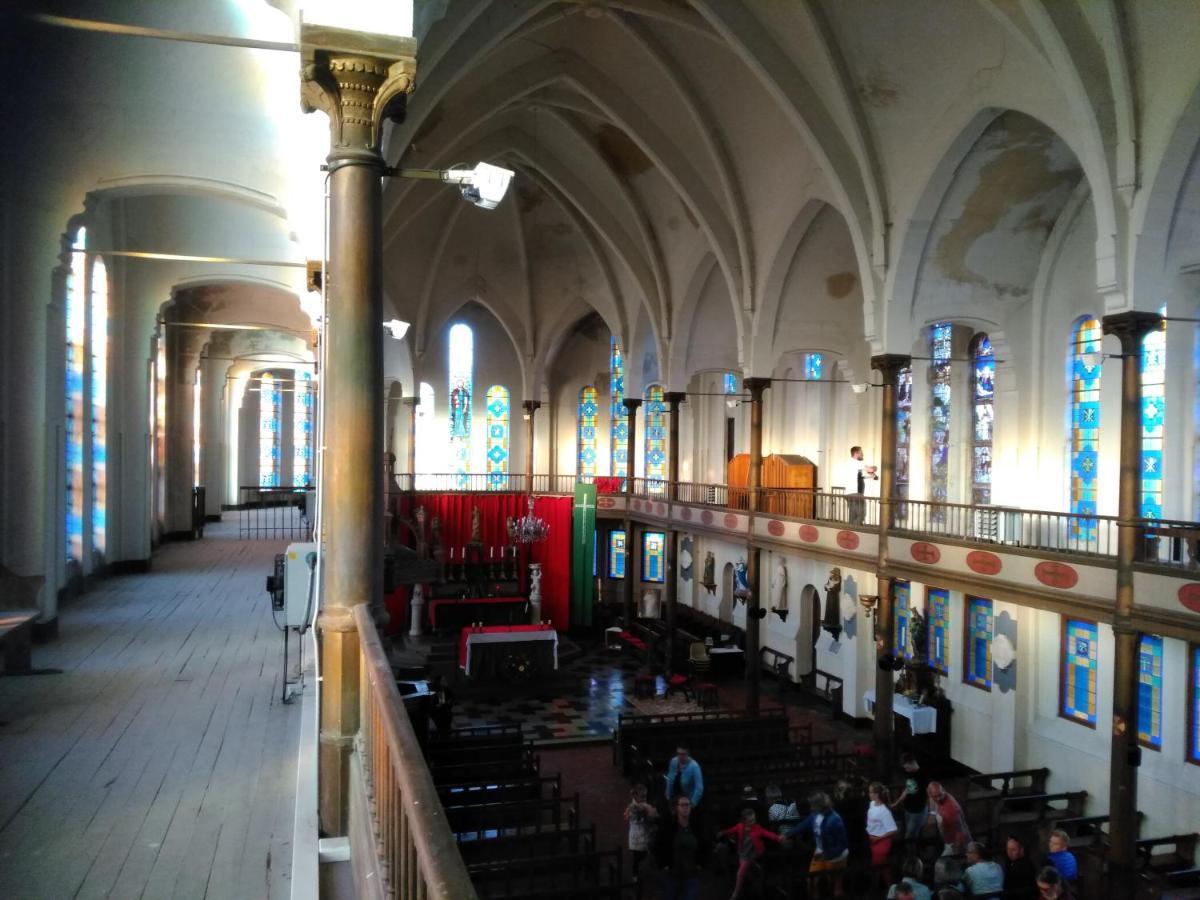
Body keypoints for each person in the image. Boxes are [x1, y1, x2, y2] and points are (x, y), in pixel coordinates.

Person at [784, 792, 849, 894]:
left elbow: (842, 844)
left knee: (835, 886)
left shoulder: (835, 820)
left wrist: (827, 854)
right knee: (812, 880)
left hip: (836, 857)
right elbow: (805, 824)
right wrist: (788, 834)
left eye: (812, 805)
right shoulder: (815, 814)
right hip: (820, 852)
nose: (811, 808)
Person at [718, 808, 783, 900]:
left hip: (753, 853)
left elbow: (768, 834)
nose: (753, 822)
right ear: (744, 821)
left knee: (740, 873)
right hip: (742, 852)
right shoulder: (740, 826)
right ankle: (749, 879)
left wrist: (778, 838)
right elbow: (731, 830)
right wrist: (723, 832)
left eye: (754, 820)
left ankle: (735, 894)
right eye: (751, 821)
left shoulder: (757, 828)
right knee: (744, 870)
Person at [654, 795, 710, 900]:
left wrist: (701, 864)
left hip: (691, 872)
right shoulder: (669, 826)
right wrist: (663, 864)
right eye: (682, 805)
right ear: (677, 808)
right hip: (672, 873)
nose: (685, 807)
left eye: (687, 805)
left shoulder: (696, 826)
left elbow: (705, 844)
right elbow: (658, 845)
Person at [891, 753, 929, 843]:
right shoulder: (908, 773)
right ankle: (915, 852)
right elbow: (908, 789)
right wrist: (897, 802)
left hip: (918, 811)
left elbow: (930, 794)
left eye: (907, 767)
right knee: (911, 833)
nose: (906, 769)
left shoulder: (923, 775)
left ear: (912, 763)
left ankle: (912, 855)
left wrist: (931, 814)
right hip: (908, 809)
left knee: (910, 837)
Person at [925, 782, 971, 855]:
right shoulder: (938, 796)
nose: (938, 799)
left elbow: (960, 831)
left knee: (942, 864)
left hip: (956, 843)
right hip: (947, 838)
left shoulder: (951, 809)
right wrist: (932, 813)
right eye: (935, 796)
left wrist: (956, 853)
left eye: (940, 795)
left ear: (943, 791)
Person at [624, 782, 658, 880]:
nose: (644, 799)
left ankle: (641, 869)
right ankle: (635, 875)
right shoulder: (632, 807)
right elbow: (632, 816)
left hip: (644, 834)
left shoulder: (645, 805)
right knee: (637, 857)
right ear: (635, 796)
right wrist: (646, 811)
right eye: (642, 797)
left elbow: (652, 815)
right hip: (636, 836)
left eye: (645, 796)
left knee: (644, 853)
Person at [866, 782, 899, 869]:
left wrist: (878, 838)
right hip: (873, 840)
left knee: (880, 867)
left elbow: (893, 830)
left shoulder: (884, 811)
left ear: (876, 794)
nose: (869, 794)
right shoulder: (872, 804)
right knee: (880, 867)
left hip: (881, 842)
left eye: (870, 792)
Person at [664, 745, 704, 809]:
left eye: (683, 754)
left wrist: (692, 804)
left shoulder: (694, 766)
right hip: (674, 797)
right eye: (678, 754)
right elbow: (670, 778)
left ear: (688, 754)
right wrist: (667, 795)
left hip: (687, 799)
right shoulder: (673, 761)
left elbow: (699, 788)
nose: (680, 756)